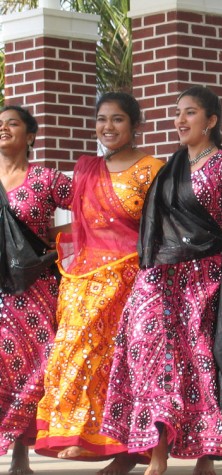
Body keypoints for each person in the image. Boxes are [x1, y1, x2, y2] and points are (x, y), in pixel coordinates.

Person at [100, 86, 222, 475]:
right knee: (145, 348)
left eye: (190, 113)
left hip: (202, 278)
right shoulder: (172, 167)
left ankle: (204, 455)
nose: (180, 121)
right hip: (160, 275)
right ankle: (152, 451)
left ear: (211, 121)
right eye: (177, 113)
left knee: (200, 358)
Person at [35, 92, 165, 474]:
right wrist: (31, 235)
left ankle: (126, 453)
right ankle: (76, 433)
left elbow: (164, 226)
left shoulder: (152, 169)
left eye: (118, 119)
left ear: (136, 126)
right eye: (102, 119)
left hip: (129, 278)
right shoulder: (86, 170)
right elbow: (81, 224)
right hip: (81, 279)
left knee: (121, 366)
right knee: (70, 353)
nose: (108, 127)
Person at [0, 105, 73, 475]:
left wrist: (56, 239)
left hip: (35, 290)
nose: (2, 127)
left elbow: (93, 209)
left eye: (12, 123)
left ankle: (20, 453)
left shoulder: (45, 179)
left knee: (33, 367)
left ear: (30, 136)